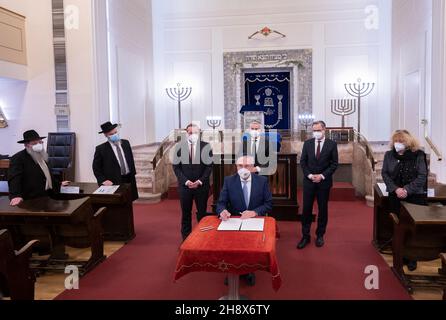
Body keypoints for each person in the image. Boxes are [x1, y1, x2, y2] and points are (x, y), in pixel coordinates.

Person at [216, 155, 273, 286]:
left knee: (250, 248)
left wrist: (254, 212)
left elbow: (269, 204)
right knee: (232, 247)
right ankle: (231, 271)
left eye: (246, 166)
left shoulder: (262, 181)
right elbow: (221, 203)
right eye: (240, 166)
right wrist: (222, 211)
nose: (243, 169)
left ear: (253, 167)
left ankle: (248, 270)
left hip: (254, 220)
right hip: (234, 220)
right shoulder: (229, 181)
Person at [382, 129, 428, 271]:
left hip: (415, 196)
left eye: (401, 141)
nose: (398, 144)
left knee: (412, 227)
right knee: (398, 226)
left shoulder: (418, 155)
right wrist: (396, 189)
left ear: (408, 143)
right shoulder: (389, 155)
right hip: (395, 196)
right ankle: (399, 256)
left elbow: (422, 176)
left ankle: (412, 258)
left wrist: (407, 189)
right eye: (396, 141)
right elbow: (385, 173)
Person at [297, 121, 338, 249]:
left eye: (318, 130)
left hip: (324, 182)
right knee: (306, 209)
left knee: (322, 209)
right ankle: (305, 236)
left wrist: (322, 176)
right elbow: (303, 162)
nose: (316, 132)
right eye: (314, 130)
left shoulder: (332, 144)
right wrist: (309, 175)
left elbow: (334, 164)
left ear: (324, 129)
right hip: (309, 182)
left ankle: (320, 235)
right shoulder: (308, 143)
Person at [172, 123, 213, 241]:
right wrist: (186, 181)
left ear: (199, 133)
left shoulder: (206, 146)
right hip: (185, 187)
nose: (193, 135)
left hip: (201, 186)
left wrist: (200, 181)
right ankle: (186, 239)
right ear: (186, 133)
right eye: (190, 133)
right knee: (186, 214)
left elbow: (209, 166)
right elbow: (176, 167)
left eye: (195, 132)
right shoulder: (179, 147)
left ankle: (202, 238)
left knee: (202, 214)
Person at [8, 130, 68, 206]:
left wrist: (58, 184)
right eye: (34, 143)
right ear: (26, 145)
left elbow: (46, 174)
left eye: (40, 142)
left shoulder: (42, 155)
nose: (39, 145)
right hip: (31, 199)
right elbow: (14, 178)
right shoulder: (18, 158)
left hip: (48, 195)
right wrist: (15, 196)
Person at [93, 122, 139, 201]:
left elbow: (130, 159)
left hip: (129, 178)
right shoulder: (101, 149)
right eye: (111, 134)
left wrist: (133, 173)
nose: (114, 135)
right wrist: (103, 180)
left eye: (115, 132)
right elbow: (96, 167)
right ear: (106, 135)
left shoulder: (126, 143)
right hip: (114, 180)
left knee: (129, 201)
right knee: (119, 203)